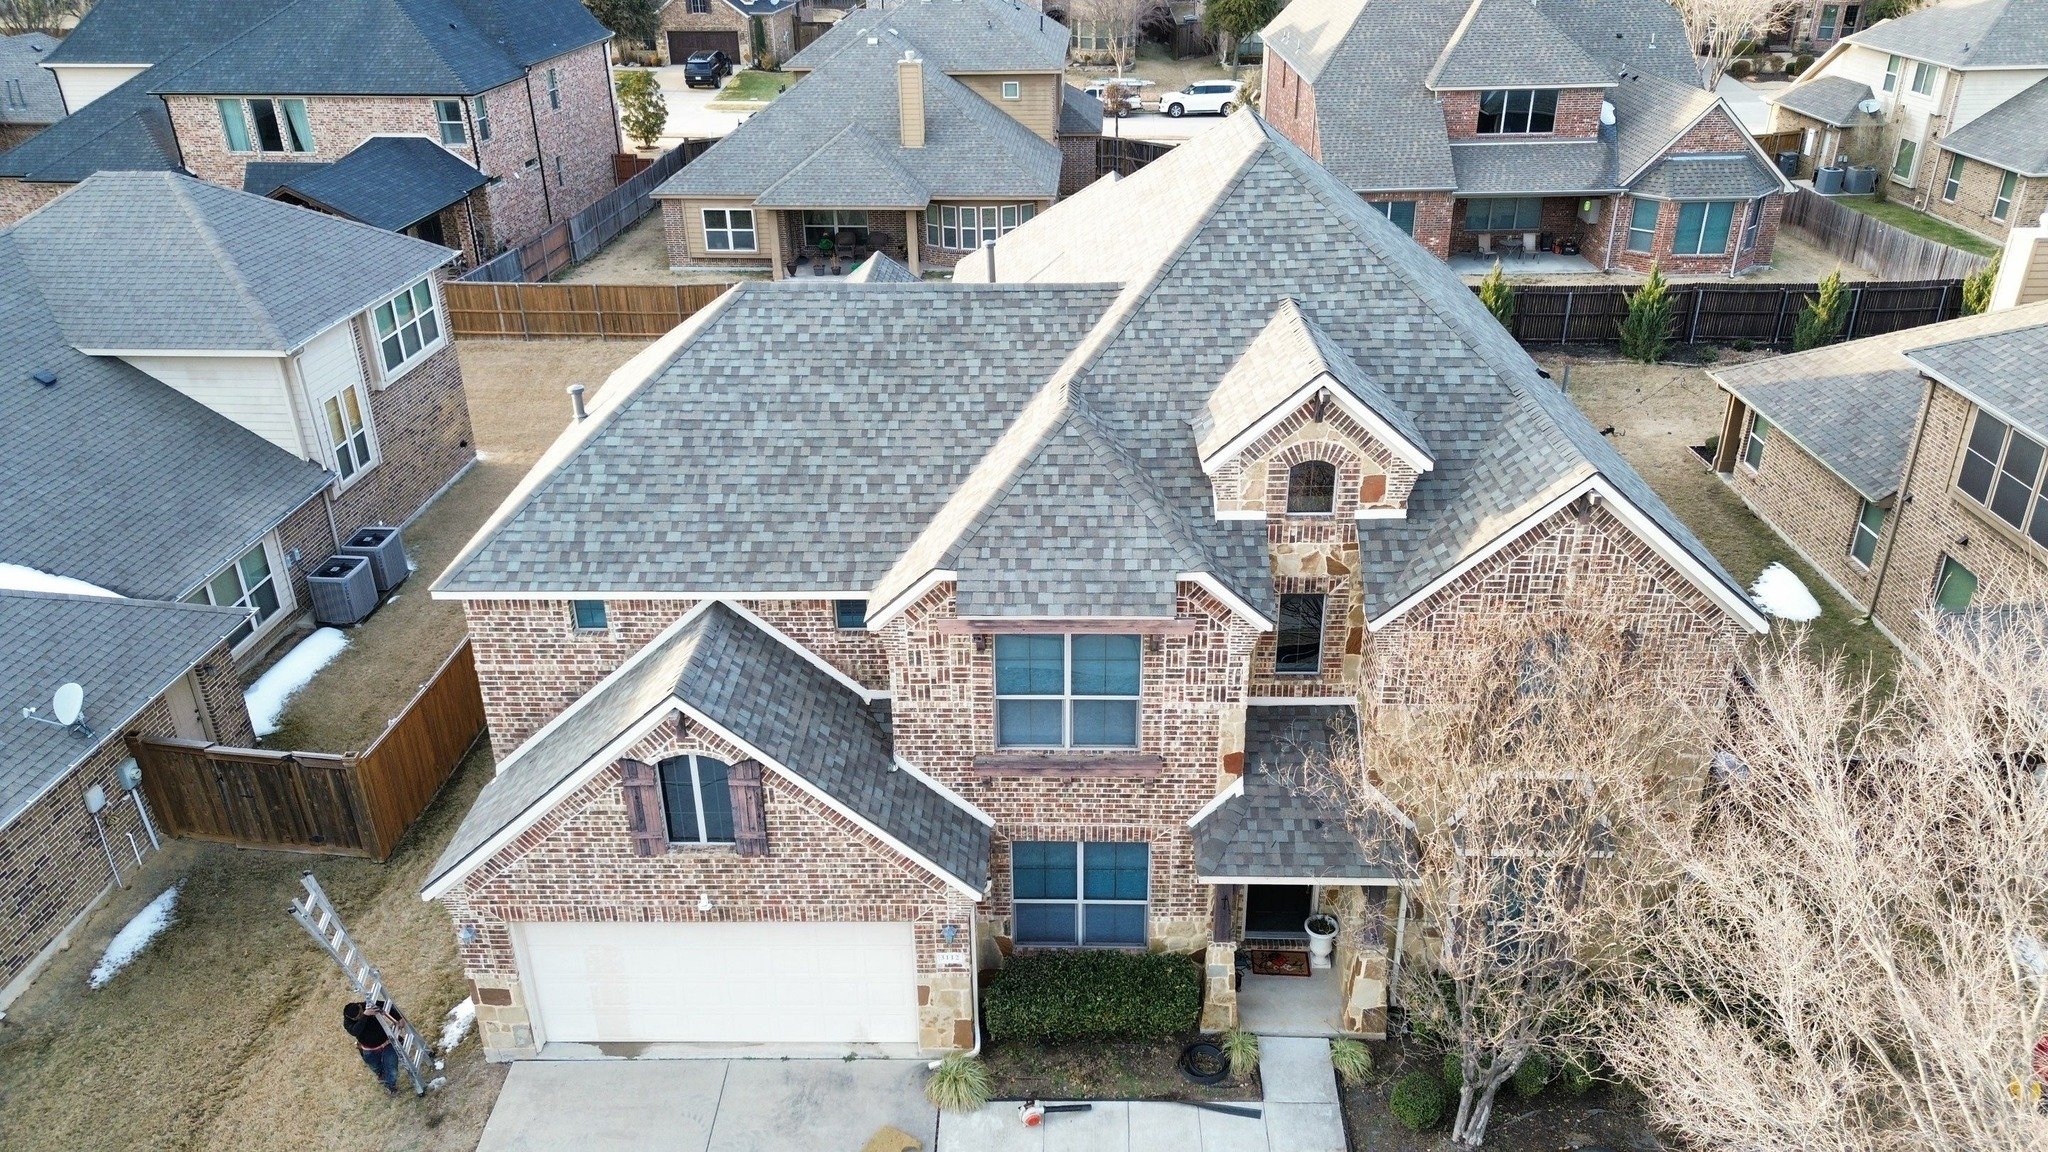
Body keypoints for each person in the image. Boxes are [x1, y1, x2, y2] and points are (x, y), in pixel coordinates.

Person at [343, 1000, 404, 1093]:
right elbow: (355, 1031)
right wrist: (365, 1015)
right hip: (370, 1049)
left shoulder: (367, 1005)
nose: (358, 1018)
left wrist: (399, 1018)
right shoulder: (347, 1022)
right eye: (356, 1018)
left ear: (360, 1006)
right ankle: (382, 1075)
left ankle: (391, 1086)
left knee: (392, 1069)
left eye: (359, 1015)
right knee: (376, 1068)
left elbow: (386, 1005)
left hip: (387, 1043)